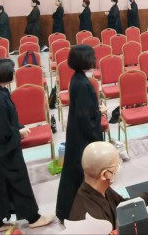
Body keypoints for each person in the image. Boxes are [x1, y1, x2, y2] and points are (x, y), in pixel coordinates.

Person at [0, 58, 53, 232]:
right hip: (2, 149)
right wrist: (18, 132)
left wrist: (18, 127)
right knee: (18, 181)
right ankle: (33, 217)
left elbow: (7, 120)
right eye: (11, 71)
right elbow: (2, 130)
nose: (13, 73)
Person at [55, 45, 106, 221]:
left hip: (77, 133)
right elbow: (86, 117)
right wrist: (98, 112)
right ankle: (70, 212)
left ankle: (68, 211)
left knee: (74, 172)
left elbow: (84, 109)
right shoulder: (82, 83)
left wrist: (96, 109)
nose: (94, 60)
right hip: (82, 137)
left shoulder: (78, 79)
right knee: (78, 173)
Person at [68, 142, 148, 223]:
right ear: (105, 174)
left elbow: (123, 204)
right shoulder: (90, 216)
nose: (119, 168)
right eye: (116, 165)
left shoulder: (100, 188)